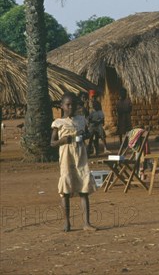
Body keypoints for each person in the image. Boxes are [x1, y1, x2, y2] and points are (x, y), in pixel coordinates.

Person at [50, 92, 97, 232]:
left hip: (80, 156)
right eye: (68, 105)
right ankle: (67, 223)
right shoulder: (58, 123)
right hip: (66, 157)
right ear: (62, 106)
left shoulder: (81, 120)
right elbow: (52, 143)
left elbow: (88, 133)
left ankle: (86, 223)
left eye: (73, 105)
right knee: (65, 189)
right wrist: (62, 141)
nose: (71, 107)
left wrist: (84, 135)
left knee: (84, 188)